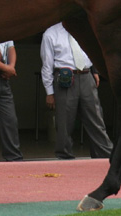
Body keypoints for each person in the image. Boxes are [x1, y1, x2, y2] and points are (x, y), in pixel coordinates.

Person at [40, 23, 113, 160]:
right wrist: (49, 92)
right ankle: (64, 157)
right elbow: (47, 65)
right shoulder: (51, 33)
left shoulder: (85, 29)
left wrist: (94, 71)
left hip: (86, 75)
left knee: (96, 119)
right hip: (65, 78)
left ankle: (105, 156)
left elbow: (93, 51)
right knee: (64, 123)